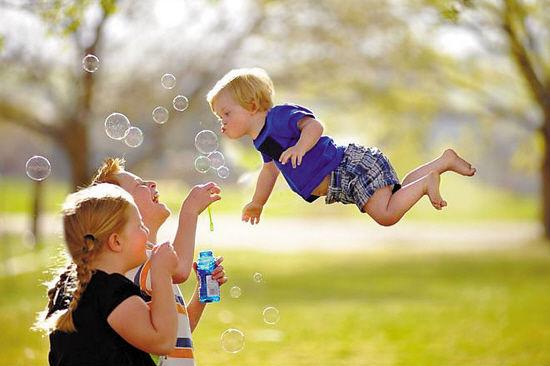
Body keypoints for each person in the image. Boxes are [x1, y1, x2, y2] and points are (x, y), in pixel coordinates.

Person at [206, 67, 476, 226]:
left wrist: (301, 147)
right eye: (220, 117)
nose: (223, 122)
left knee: (386, 215)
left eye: (226, 114)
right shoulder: (262, 139)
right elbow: (269, 172)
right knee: (397, 195)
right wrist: (257, 203)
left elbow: (314, 126)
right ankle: (442, 163)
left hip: (349, 168)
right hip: (344, 178)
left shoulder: (279, 117)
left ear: (252, 106)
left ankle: (429, 181)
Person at [90, 158, 227, 366]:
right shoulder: (132, 261)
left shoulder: (152, 261)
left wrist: (201, 294)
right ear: (121, 213)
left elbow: (173, 331)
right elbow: (180, 269)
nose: (152, 183)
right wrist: (189, 211)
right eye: (140, 185)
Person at [35, 183, 179, 365]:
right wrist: (161, 272)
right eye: (140, 226)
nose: (147, 231)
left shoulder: (69, 288)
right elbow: (163, 341)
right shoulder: (113, 292)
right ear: (116, 241)